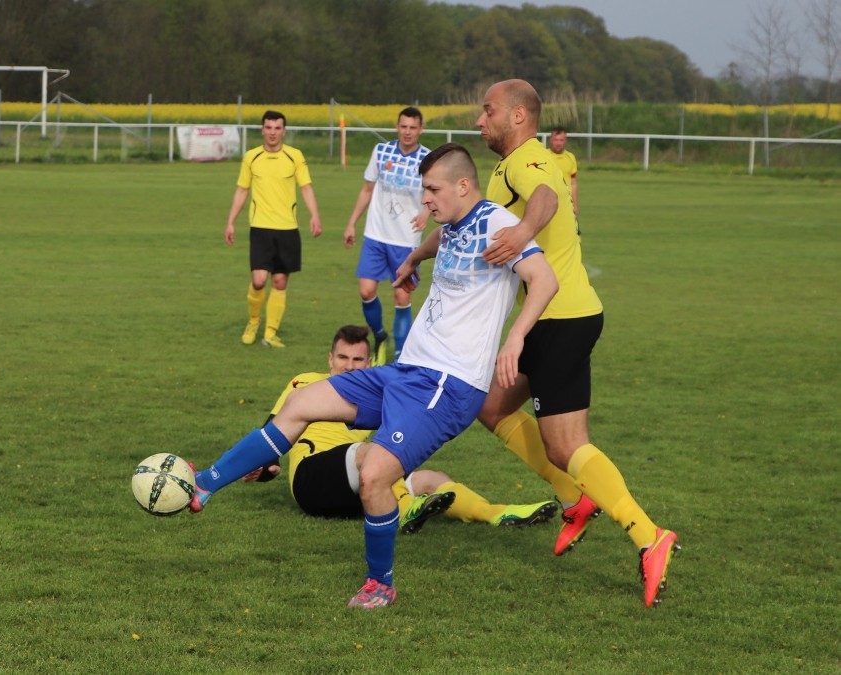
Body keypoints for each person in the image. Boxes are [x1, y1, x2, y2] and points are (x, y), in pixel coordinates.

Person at [189, 143, 559, 610]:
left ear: (463, 185)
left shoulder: (499, 224)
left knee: (375, 479)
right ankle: (205, 483)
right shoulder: (452, 225)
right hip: (405, 372)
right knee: (300, 405)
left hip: (447, 386)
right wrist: (411, 262)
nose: (424, 200)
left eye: (431, 189)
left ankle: (379, 584)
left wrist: (516, 338)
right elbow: (438, 241)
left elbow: (545, 280)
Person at [475, 78, 678, 608]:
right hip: (546, 318)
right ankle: (574, 499)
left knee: (567, 445)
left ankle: (649, 536)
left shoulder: (531, 161)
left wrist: (522, 234)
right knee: (491, 406)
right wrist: (415, 256)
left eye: (488, 110)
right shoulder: (504, 168)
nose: (480, 120)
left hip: (561, 317)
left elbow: (545, 199)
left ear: (518, 116)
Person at [242, 324, 559, 532]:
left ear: (368, 364)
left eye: (357, 360)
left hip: (358, 485)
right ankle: (407, 509)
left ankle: (496, 513)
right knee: (372, 455)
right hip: (311, 481)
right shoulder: (306, 383)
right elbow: (271, 440)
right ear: (329, 359)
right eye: (342, 358)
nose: (348, 366)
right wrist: (265, 470)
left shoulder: (374, 393)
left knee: (434, 479)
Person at [224, 110, 322, 349]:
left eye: (277, 128)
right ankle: (254, 321)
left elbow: (306, 187)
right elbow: (242, 190)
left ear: (283, 131)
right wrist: (230, 221)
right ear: (262, 129)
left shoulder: (294, 156)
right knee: (258, 280)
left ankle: (270, 333)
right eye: (268, 127)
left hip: (288, 228)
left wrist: (315, 215)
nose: (272, 132)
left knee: (279, 282)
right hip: (260, 227)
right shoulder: (251, 157)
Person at [343, 107, 430, 361]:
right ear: (397, 127)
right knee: (366, 291)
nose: (408, 132)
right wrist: (351, 224)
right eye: (404, 126)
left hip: (406, 241)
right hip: (376, 235)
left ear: (421, 130)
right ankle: (380, 334)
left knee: (402, 296)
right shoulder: (381, 152)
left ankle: (401, 355)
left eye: (413, 127)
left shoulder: (428, 159)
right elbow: (366, 190)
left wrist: (425, 214)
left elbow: (433, 192)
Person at [549, 126, 579, 218]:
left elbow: (573, 183)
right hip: (548, 203)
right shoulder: (544, 156)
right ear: (551, 140)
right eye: (556, 140)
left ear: (565, 141)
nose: (558, 143)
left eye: (561, 140)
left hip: (566, 204)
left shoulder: (571, 158)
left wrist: (575, 205)